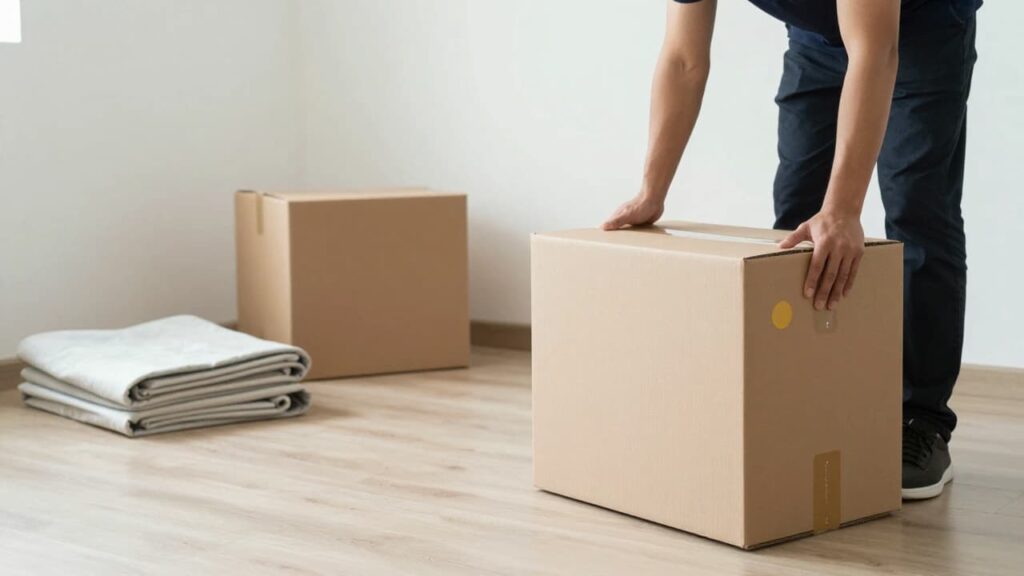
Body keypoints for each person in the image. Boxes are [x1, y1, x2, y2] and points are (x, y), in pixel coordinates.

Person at [603, 0, 979, 500]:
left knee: (916, 214)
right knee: (797, 217)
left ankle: (921, 421)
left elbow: (875, 50)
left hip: (921, 30)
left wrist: (844, 208)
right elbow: (683, 59)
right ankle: (813, 407)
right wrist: (652, 190)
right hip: (817, 39)